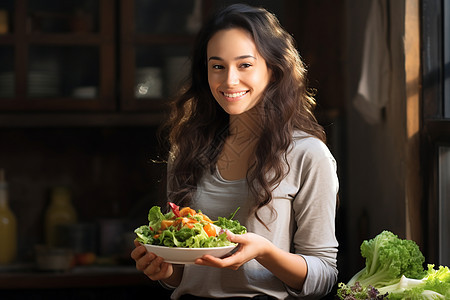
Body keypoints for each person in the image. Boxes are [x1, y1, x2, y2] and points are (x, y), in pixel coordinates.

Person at [131, 4, 339, 299]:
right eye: (218, 66)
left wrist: (265, 253)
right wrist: (164, 270)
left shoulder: (307, 154)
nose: (229, 80)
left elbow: (325, 275)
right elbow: (180, 272)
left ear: (273, 68)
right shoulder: (188, 149)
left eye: (245, 65)